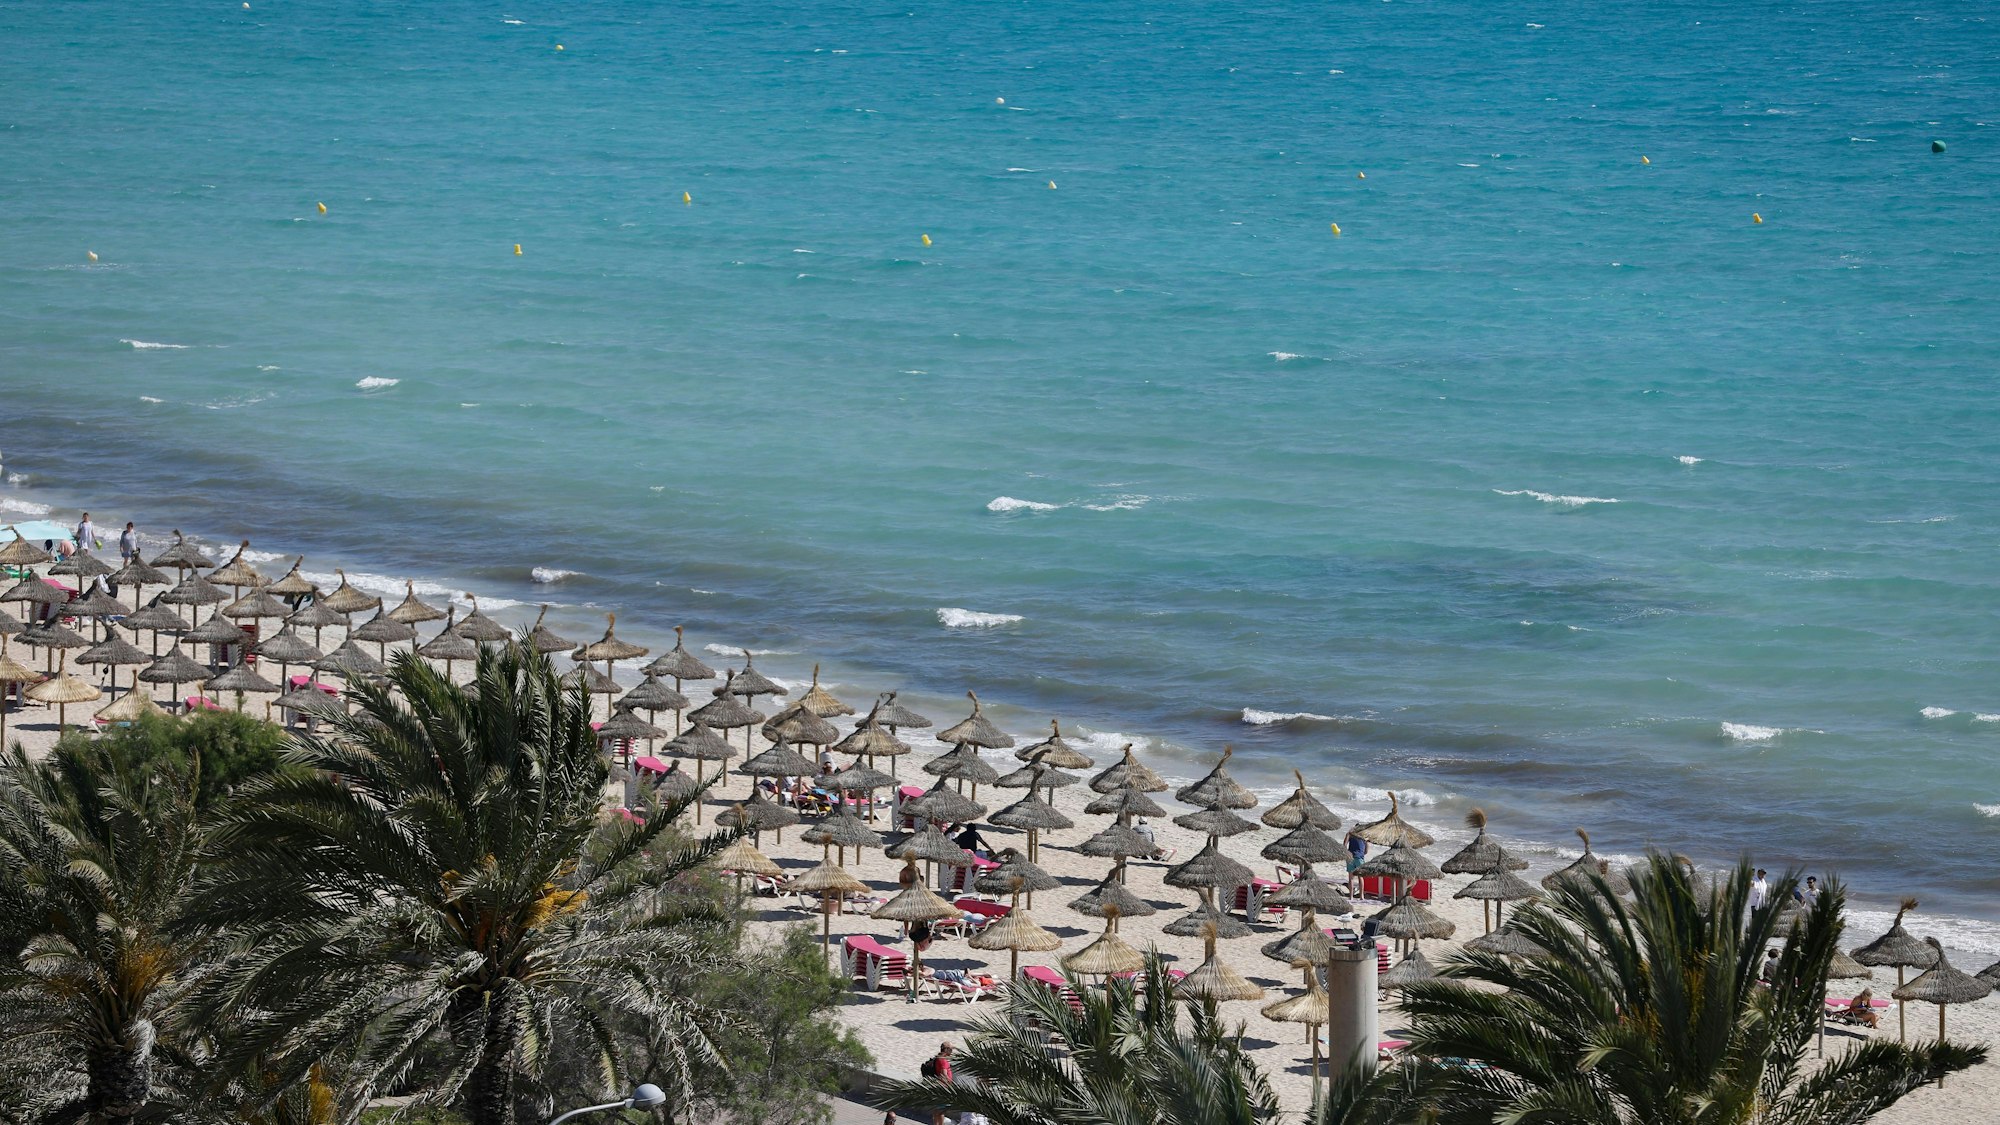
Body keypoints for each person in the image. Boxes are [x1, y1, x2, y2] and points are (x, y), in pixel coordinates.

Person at [918, 1043, 955, 1125]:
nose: (952, 1052)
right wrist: (950, 1086)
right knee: (941, 1111)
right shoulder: (943, 1061)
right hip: (943, 1087)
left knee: (937, 1110)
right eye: (950, 1049)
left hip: (938, 1086)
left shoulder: (938, 1058)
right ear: (945, 1050)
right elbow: (944, 1075)